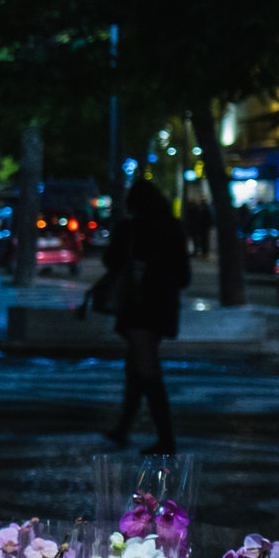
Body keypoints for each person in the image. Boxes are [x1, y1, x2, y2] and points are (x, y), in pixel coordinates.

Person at [101, 179, 191, 455]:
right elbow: (183, 276)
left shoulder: (132, 230)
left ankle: (165, 438)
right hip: (160, 309)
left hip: (139, 309)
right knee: (137, 369)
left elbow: (112, 261)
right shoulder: (172, 228)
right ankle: (124, 428)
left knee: (147, 371)